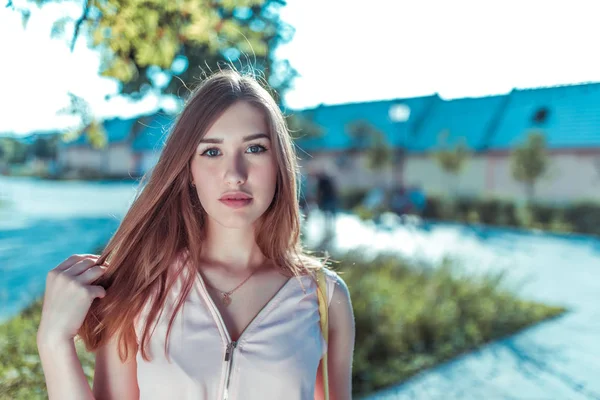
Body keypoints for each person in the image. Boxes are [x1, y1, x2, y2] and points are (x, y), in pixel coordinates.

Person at [36, 69, 355, 400]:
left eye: (255, 149)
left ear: (279, 163)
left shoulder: (324, 299)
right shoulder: (139, 288)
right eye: (212, 152)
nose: (234, 174)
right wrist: (53, 341)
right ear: (188, 170)